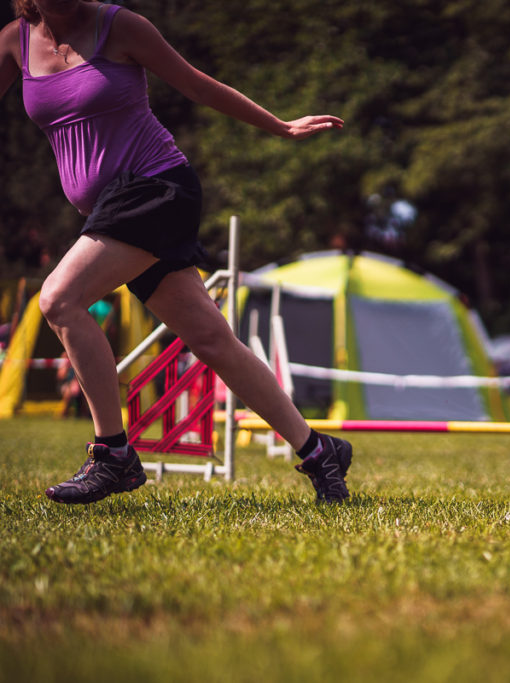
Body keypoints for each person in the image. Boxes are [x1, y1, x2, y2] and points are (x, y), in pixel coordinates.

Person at [1, 0, 351, 504]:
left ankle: (113, 455)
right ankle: (319, 451)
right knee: (211, 340)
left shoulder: (119, 26)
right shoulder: (14, 41)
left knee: (59, 300)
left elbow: (196, 84)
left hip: (157, 189)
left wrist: (281, 126)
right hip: (111, 208)